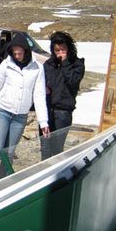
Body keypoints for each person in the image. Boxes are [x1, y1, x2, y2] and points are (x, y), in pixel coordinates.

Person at [0, 34, 49, 185]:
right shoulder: (6, 64)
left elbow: (39, 95)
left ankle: (3, 183)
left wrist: (43, 122)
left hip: (20, 117)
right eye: (14, 53)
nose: (17, 56)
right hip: (3, 112)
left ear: (26, 51)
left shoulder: (37, 68)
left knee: (10, 152)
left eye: (19, 53)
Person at [40, 31, 85, 159]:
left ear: (69, 48)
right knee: (45, 148)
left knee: (57, 149)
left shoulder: (77, 64)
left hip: (63, 112)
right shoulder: (49, 65)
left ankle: (57, 175)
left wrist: (65, 63)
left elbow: (73, 82)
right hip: (47, 110)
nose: (60, 53)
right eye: (57, 50)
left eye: (63, 49)